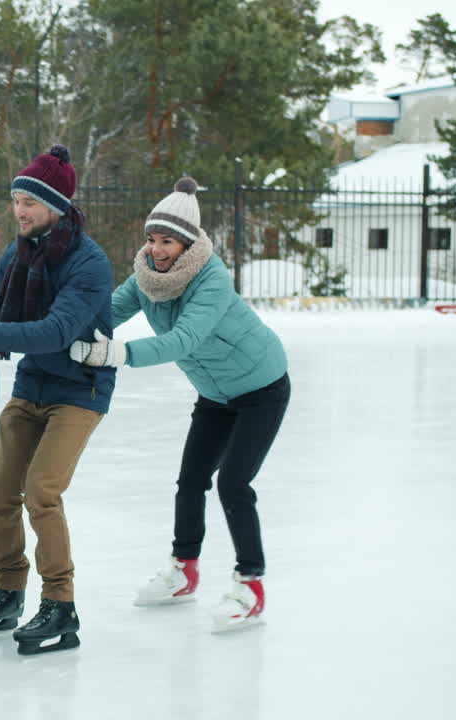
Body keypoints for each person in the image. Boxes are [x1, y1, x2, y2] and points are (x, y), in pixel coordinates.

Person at [70, 177, 289, 633]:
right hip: (215, 394)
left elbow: (184, 339)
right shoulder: (146, 277)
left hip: (261, 388)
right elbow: (108, 312)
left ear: (186, 242)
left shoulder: (212, 279)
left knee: (233, 482)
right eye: (152, 239)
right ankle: (184, 571)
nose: (157, 249)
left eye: (167, 240)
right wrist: (66, 328)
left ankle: (251, 584)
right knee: (191, 479)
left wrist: (118, 354)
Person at [0, 144, 115, 655]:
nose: (19, 211)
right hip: (32, 385)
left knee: (42, 491)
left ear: (55, 206)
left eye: (28, 203)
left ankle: (61, 604)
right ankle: (8, 591)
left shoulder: (89, 263)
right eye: (16, 200)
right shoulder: (18, 254)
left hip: (79, 392)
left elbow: (55, 331)